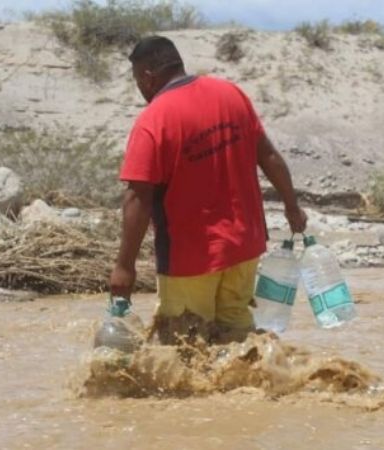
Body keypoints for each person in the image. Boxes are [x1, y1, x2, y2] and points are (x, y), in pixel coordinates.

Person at [109, 36, 307, 344]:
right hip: (244, 247)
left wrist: (124, 266)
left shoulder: (154, 120)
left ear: (147, 76)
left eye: (137, 81)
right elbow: (268, 154)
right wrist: (292, 207)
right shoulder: (230, 94)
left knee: (186, 347)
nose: (140, 89)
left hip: (191, 258)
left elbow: (138, 197)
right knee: (238, 342)